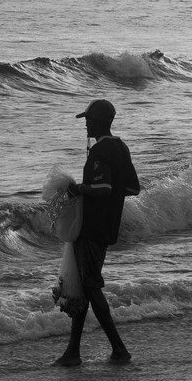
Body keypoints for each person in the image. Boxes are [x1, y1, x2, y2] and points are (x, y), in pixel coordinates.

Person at [56, 99, 140, 367]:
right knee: (83, 285)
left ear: (98, 122)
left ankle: (119, 349)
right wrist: (111, 200)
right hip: (107, 227)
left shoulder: (100, 151)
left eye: (88, 120)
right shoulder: (121, 147)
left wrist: (80, 189)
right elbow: (132, 188)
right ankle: (73, 352)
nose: (86, 124)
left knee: (90, 285)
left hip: (91, 228)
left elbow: (102, 188)